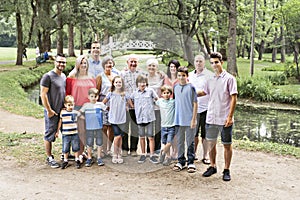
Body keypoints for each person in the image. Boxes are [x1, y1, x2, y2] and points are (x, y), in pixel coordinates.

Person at [198, 52, 238, 181]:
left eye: (216, 62)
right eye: (212, 63)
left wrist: (230, 116)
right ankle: (213, 166)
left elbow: (234, 98)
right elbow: (203, 92)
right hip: (211, 117)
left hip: (224, 118)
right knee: (211, 144)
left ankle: (226, 170)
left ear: (222, 62)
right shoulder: (210, 79)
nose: (214, 65)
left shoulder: (229, 79)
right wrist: (187, 90)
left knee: (227, 145)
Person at [66, 55, 96, 162]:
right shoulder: (72, 76)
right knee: (79, 131)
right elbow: (68, 93)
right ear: (78, 65)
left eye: (85, 63)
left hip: (88, 108)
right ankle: (78, 153)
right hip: (77, 107)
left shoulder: (91, 76)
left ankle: (86, 153)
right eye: (81, 63)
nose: (83, 65)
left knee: (88, 132)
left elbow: (94, 93)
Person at [40, 53, 67, 168]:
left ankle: (65, 154)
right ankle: (49, 157)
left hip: (62, 112)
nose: (61, 64)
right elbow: (43, 94)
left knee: (65, 133)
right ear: (54, 62)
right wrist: (49, 110)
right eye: (59, 62)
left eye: (63, 62)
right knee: (49, 134)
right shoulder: (48, 76)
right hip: (52, 112)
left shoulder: (63, 76)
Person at [102, 76, 134, 164]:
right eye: (116, 82)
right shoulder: (110, 94)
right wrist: (107, 108)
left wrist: (129, 105)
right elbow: (103, 103)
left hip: (122, 118)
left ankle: (119, 154)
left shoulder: (125, 94)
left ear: (122, 84)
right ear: (113, 83)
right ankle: (115, 154)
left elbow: (131, 105)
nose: (118, 84)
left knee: (120, 137)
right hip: (113, 118)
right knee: (117, 136)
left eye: (120, 82)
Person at [189, 54, 214, 164]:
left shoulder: (210, 75)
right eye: (196, 61)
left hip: (206, 109)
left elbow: (211, 91)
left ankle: (205, 156)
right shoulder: (190, 75)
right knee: (193, 134)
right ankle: (193, 154)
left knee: (205, 134)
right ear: (194, 62)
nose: (198, 63)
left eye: (200, 61)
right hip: (193, 109)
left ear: (204, 62)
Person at [172, 66, 197, 173]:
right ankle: (181, 161)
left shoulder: (191, 87)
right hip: (178, 119)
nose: (181, 77)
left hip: (189, 119)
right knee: (180, 141)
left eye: (183, 75)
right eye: (179, 75)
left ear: (187, 76)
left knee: (190, 141)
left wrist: (194, 119)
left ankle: (190, 162)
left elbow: (195, 104)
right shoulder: (176, 87)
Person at [120, 54, 147, 157]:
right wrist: (128, 100)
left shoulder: (140, 74)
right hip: (126, 104)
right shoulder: (122, 74)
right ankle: (125, 148)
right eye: (131, 62)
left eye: (135, 62)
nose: (133, 64)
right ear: (127, 63)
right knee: (125, 127)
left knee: (135, 127)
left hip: (137, 105)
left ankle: (134, 149)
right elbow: (121, 88)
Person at [132, 75, 159, 164]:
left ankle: (152, 155)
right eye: (140, 82)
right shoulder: (135, 93)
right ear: (137, 84)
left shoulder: (150, 91)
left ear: (146, 83)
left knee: (151, 137)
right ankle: (143, 154)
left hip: (149, 117)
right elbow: (129, 99)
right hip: (140, 118)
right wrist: (133, 107)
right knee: (142, 137)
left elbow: (157, 99)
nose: (142, 84)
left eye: (144, 82)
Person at [96, 56, 118, 157]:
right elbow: (97, 91)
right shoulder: (100, 76)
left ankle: (109, 149)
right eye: (107, 63)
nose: (109, 65)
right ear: (104, 65)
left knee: (112, 127)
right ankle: (103, 149)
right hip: (103, 102)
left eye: (111, 63)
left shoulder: (116, 76)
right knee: (104, 127)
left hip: (113, 103)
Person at [80, 88, 107, 167]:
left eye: (95, 96)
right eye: (92, 96)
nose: (94, 98)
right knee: (89, 142)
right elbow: (80, 113)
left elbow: (106, 110)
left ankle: (99, 157)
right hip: (89, 127)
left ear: (98, 96)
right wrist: (83, 118)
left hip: (99, 127)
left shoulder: (100, 104)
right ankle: (89, 157)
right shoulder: (86, 105)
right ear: (88, 97)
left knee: (99, 142)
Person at [146, 58, 166, 154]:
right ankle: (148, 148)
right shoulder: (144, 77)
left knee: (158, 127)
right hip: (148, 107)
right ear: (147, 67)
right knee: (148, 127)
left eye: (153, 65)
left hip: (158, 107)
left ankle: (157, 147)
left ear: (157, 67)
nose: (151, 67)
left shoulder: (161, 77)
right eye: (150, 65)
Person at [56, 95, 81, 169]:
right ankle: (65, 160)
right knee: (65, 147)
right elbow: (60, 122)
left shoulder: (75, 112)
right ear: (65, 105)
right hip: (66, 134)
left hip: (74, 133)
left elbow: (79, 120)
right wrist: (57, 131)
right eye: (69, 105)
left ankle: (77, 159)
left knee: (76, 147)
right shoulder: (63, 112)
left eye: (72, 105)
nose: (70, 107)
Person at [163, 59, 180, 160]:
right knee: (170, 129)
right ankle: (169, 152)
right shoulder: (165, 79)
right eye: (171, 67)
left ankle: (176, 151)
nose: (173, 69)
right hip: (169, 107)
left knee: (176, 130)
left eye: (175, 67)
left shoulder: (181, 78)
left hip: (178, 106)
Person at [155, 85, 175, 166]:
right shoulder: (160, 101)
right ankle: (168, 157)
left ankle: (162, 153)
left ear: (170, 94)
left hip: (171, 126)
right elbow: (153, 99)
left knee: (169, 142)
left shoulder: (173, 102)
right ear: (162, 94)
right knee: (164, 142)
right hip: (163, 126)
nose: (166, 94)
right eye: (164, 93)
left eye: (168, 93)